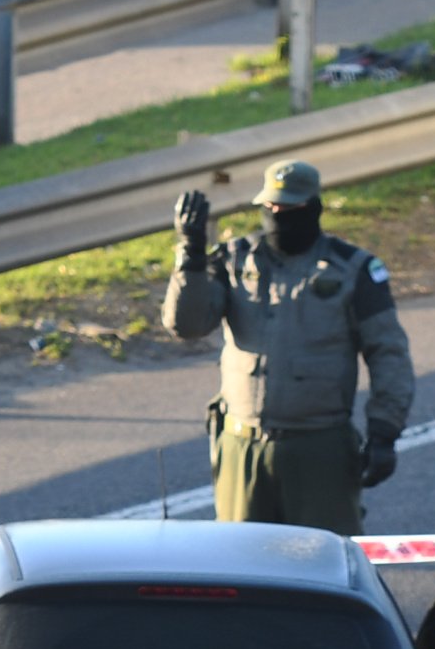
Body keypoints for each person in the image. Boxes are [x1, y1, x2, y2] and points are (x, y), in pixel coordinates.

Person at [166, 159, 417, 535]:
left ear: (313, 207)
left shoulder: (352, 270)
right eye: (272, 208)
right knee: (242, 567)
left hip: (319, 448)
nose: (280, 216)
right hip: (242, 445)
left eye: (291, 209)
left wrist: (384, 432)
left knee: (324, 565)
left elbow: (388, 352)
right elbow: (187, 326)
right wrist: (192, 254)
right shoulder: (234, 260)